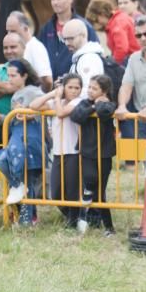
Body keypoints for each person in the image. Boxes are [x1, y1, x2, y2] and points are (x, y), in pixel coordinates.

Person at [33, 73, 84, 228]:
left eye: (77, 87)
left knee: (72, 191)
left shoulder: (79, 102)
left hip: (73, 152)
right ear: (63, 88)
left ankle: (73, 220)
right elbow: (33, 106)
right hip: (57, 152)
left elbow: (61, 113)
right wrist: (53, 94)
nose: (74, 91)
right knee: (56, 193)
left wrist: (56, 100)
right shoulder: (59, 101)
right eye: (70, 87)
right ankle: (72, 216)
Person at [0, 70, 43, 226]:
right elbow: (11, 119)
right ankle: (17, 186)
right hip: (15, 143)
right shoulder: (15, 95)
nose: (10, 79)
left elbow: (45, 108)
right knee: (0, 160)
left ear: (25, 75)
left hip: (31, 141)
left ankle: (29, 218)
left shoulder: (35, 92)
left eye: (14, 75)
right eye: (8, 76)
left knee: (29, 178)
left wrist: (28, 113)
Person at [71, 74, 118, 235]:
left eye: (95, 88)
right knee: (90, 180)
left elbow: (105, 112)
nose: (90, 91)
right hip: (87, 151)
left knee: (100, 194)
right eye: (89, 87)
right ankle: (86, 195)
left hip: (104, 153)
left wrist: (99, 104)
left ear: (104, 92)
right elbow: (77, 116)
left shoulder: (110, 104)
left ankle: (109, 227)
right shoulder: (84, 103)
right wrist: (92, 107)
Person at [36, 0, 99, 80]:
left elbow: (95, 53)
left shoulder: (84, 26)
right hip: (51, 86)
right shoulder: (47, 28)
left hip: (75, 86)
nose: (55, 3)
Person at [6, 11, 53, 91]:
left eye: (13, 31)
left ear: (25, 28)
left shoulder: (35, 47)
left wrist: (38, 97)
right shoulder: (18, 47)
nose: (9, 35)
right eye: (8, 31)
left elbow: (47, 81)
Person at [85, 0, 139, 65]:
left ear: (102, 14)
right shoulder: (118, 18)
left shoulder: (117, 24)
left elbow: (121, 49)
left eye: (95, 20)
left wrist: (112, 63)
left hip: (132, 60)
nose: (95, 24)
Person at [64, 19, 105, 92]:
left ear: (83, 35)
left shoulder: (88, 59)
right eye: (64, 39)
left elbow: (87, 92)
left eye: (71, 38)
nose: (67, 43)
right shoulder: (81, 57)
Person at [0, 33, 25, 118]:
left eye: (13, 47)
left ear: (23, 47)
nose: (9, 51)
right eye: (5, 48)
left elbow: (12, 88)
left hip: (19, 125)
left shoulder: (29, 69)